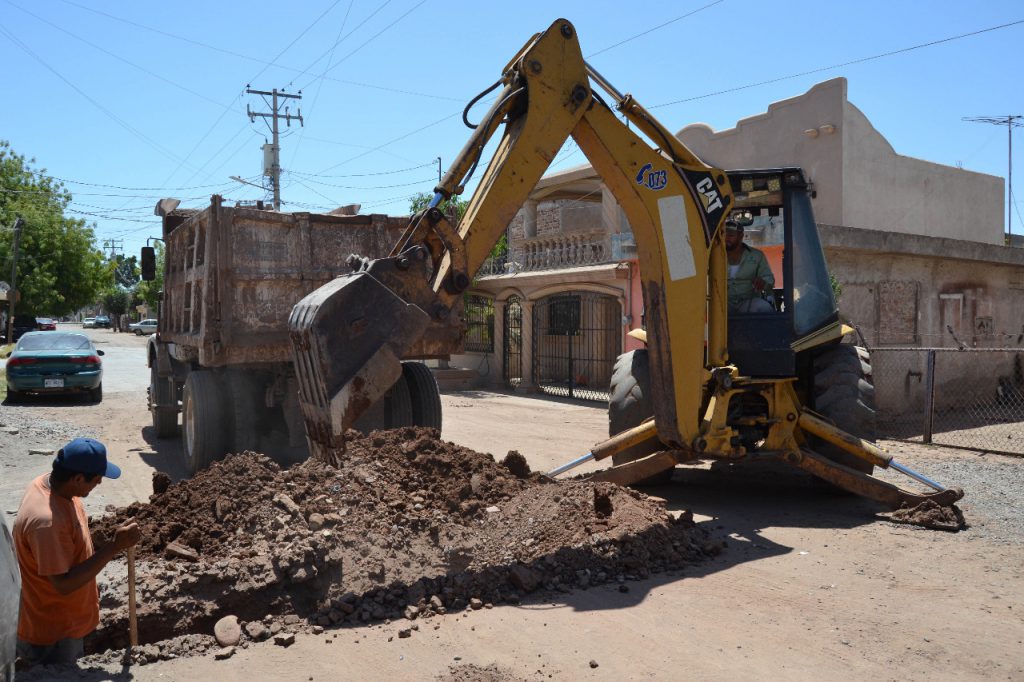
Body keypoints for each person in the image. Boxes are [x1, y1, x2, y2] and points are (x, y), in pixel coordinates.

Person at [12, 438, 140, 668]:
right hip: (53, 637)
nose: (100, 482)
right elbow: (63, 584)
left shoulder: (54, 489)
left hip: (66, 624)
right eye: (97, 478)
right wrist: (114, 546)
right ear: (78, 478)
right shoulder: (47, 522)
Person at [724, 219, 775, 313]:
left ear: (741, 236)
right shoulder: (713, 256)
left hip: (747, 302)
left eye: (731, 235)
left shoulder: (757, 255)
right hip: (721, 303)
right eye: (724, 235)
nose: (726, 238)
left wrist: (763, 282)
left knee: (763, 308)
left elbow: (769, 279)